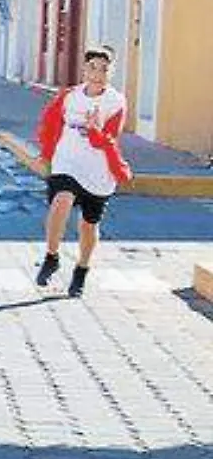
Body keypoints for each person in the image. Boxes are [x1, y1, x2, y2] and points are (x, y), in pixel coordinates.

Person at [33, 45, 130, 298]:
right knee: (60, 201)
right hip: (67, 161)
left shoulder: (116, 102)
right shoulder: (69, 96)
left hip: (98, 169)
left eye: (104, 69)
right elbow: (50, 125)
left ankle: (82, 269)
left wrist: (95, 130)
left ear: (111, 72)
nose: (97, 74)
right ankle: (52, 256)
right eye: (92, 67)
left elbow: (109, 138)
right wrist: (46, 155)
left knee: (88, 225)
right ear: (84, 69)